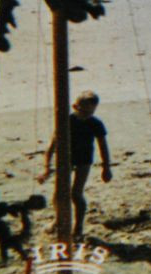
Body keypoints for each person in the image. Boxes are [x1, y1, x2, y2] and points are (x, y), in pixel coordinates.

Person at [37, 90, 111, 240]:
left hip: (84, 160)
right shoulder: (67, 121)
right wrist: (46, 167)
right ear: (75, 106)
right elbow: (52, 144)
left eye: (90, 112)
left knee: (76, 194)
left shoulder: (96, 123)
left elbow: (103, 146)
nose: (86, 115)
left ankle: (78, 227)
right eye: (83, 111)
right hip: (66, 159)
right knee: (59, 193)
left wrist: (106, 167)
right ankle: (58, 220)